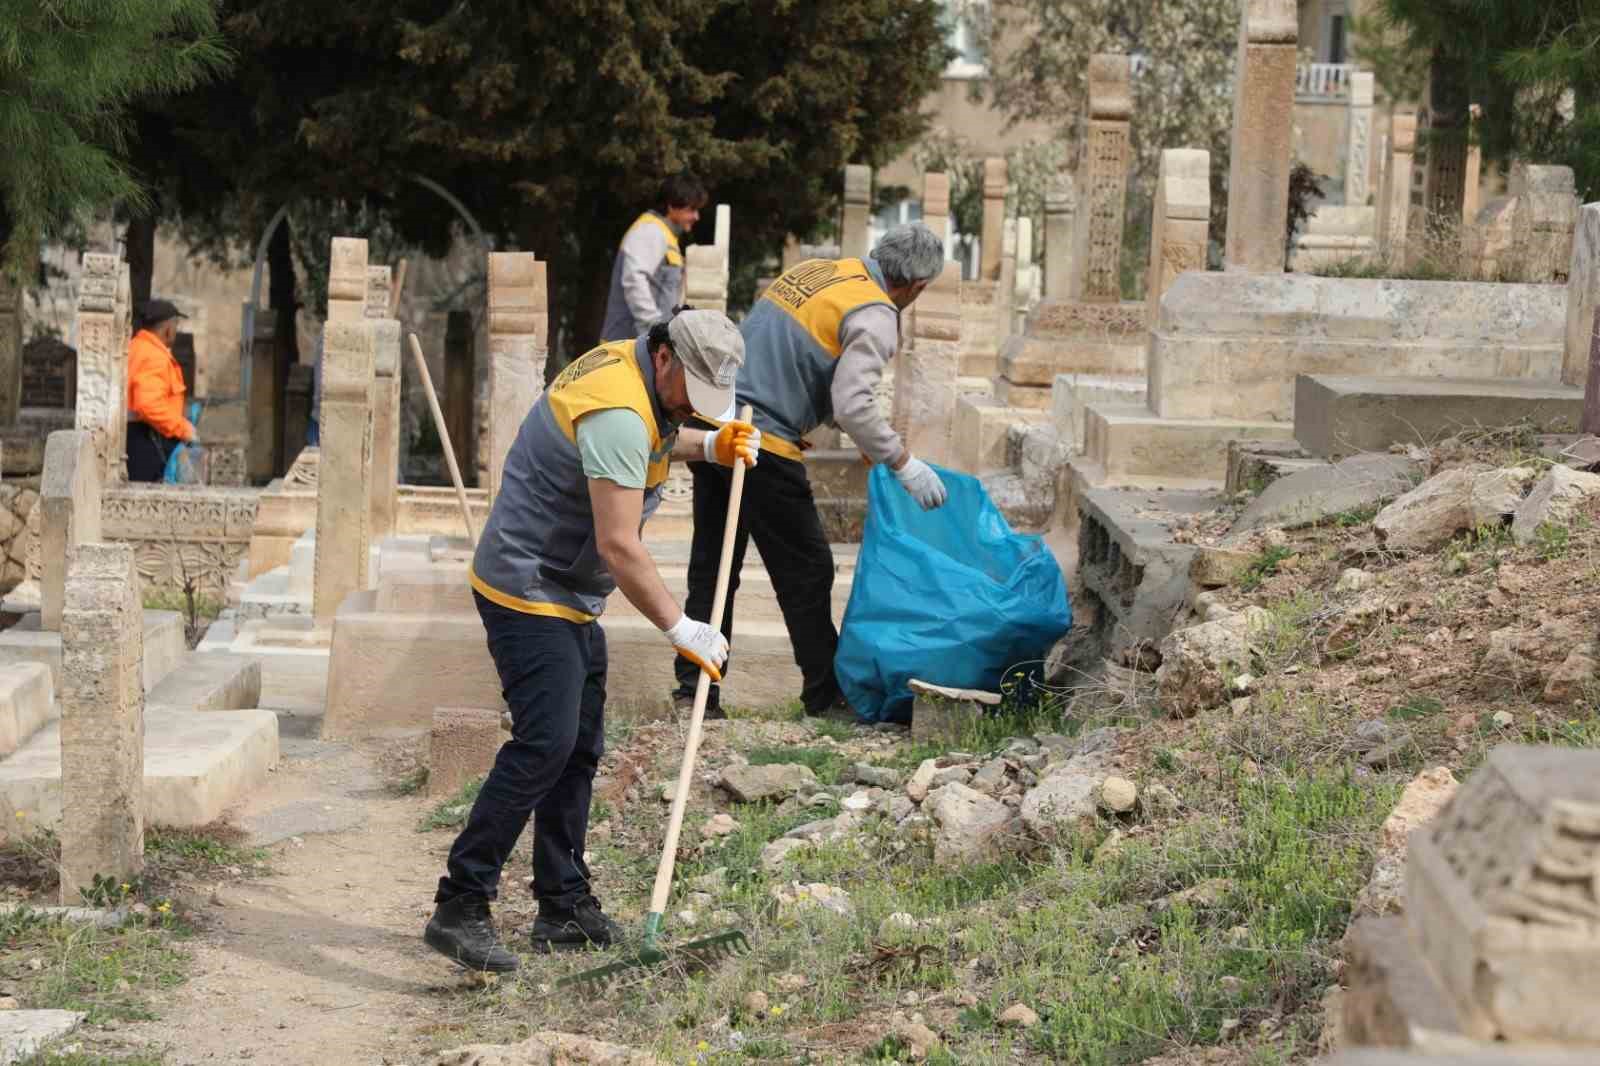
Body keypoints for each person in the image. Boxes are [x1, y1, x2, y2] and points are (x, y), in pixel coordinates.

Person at [424, 308, 761, 973]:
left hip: (567, 590)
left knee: (578, 745)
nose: (694, 410)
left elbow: (649, 444)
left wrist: (710, 447)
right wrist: (680, 626)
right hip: (529, 586)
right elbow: (619, 543)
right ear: (664, 357)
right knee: (546, 740)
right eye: (690, 393)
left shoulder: (635, 377)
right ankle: (460, 903)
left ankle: (563, 904)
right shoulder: (617, 408)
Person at [669, 224, 950, 721]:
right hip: (762, 442)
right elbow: (854, 404)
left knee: (714, 567)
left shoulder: (821, 272)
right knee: (807, 570)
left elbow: (798, 358)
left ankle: (694, 694)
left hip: (715, 425)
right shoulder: (878, 314)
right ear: (917, 287)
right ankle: (825, 695)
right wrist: (903, 463)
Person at [599, 174, 708, 343]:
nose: (696, 216)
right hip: (630, 346)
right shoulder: (650, 231)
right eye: (692, 209)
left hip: (644, 345)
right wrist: (654, 329)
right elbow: (634, 280)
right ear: (672, 205)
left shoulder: (665, 235)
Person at [125, 299, 197, 482]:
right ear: (168, 329)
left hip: (136, 437)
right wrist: (183, 429)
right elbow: (148, 405)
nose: (176, 331)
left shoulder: (135, 347)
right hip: (147, 441)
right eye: (176, 325)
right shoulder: (153, 356)